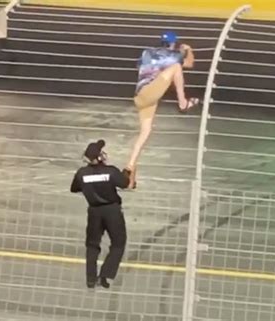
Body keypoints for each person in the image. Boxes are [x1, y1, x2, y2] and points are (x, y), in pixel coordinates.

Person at [124, 30, 199, 189]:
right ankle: (182, 103)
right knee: (177, 68)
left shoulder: (146, 52)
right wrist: (188, 50)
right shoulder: (174, 55)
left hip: (140, 97)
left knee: (145, 132)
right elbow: (190, 64)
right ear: (173, 43)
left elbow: (139, 65)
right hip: (151, 92)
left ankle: (130, 168)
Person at [70, 139, 131, 289]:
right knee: (118, 243)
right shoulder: (110, 171)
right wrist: (127, 172)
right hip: (112, 211)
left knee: (92, 245)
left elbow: (74, 188)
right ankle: (105, 274)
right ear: (99, 157)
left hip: (94, 211)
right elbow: (124, 183)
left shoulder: (81, 173)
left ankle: (90, 279)